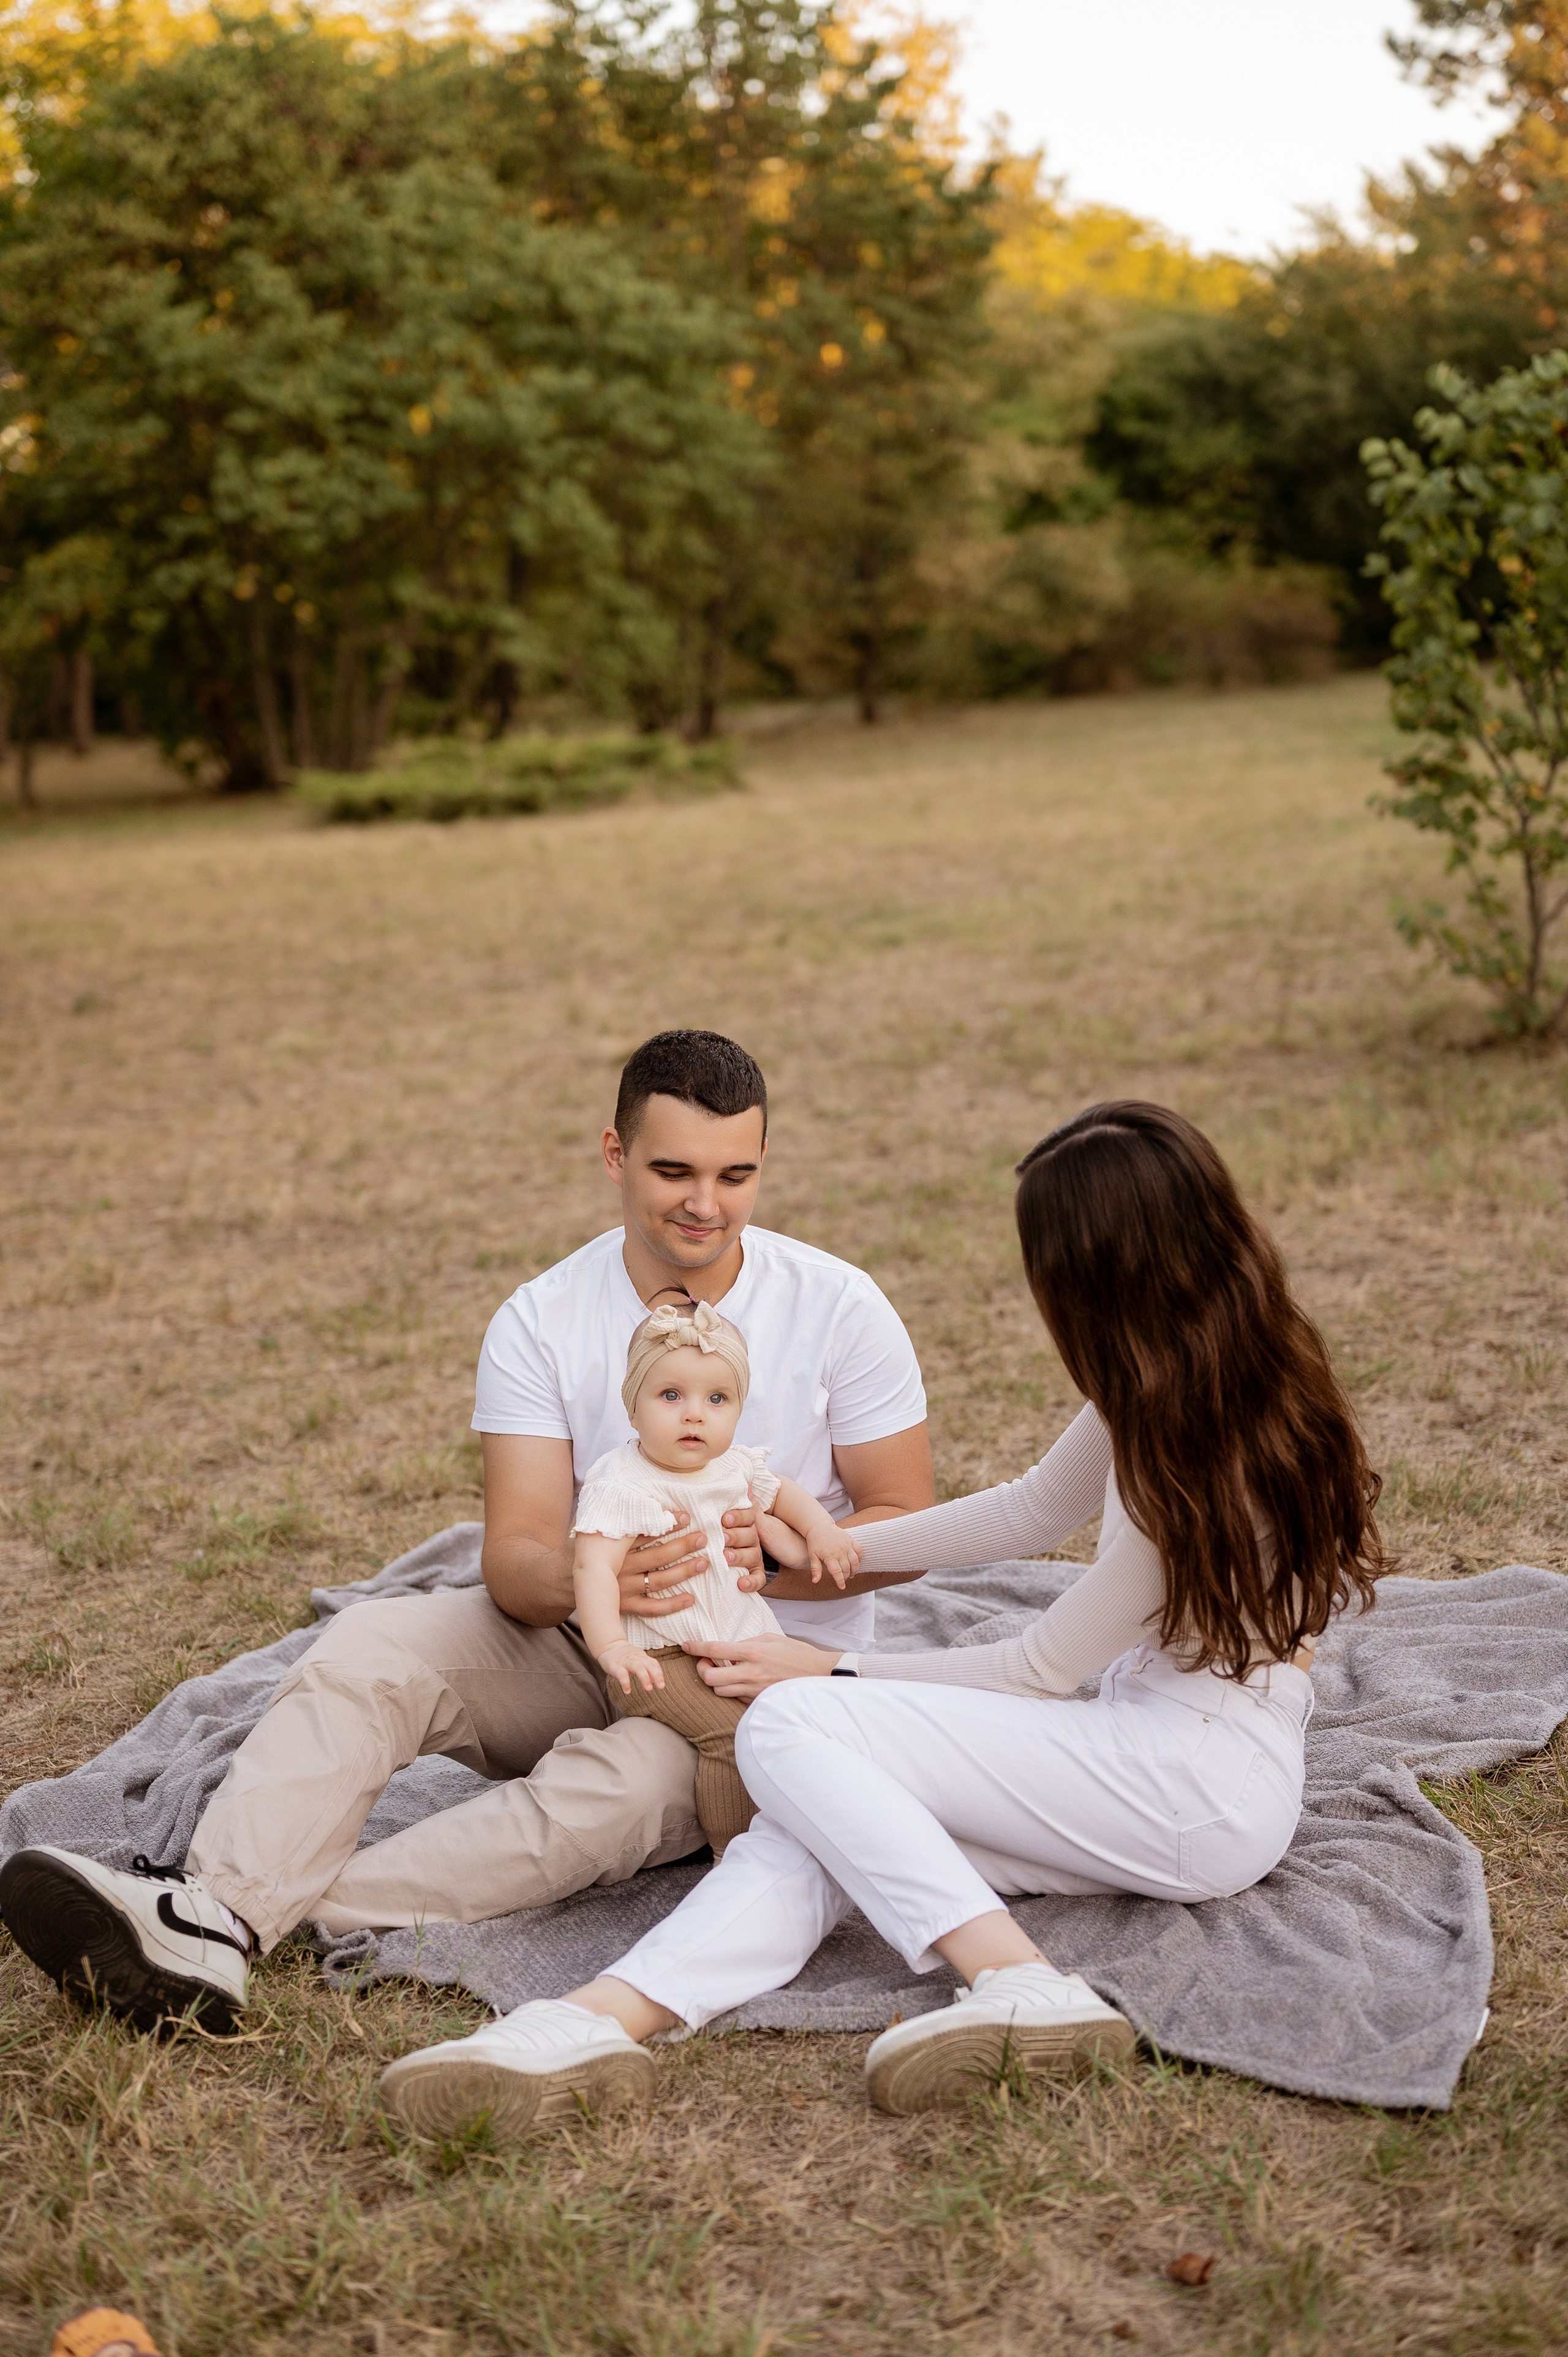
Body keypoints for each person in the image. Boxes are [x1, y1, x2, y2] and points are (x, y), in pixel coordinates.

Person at [378, 1100, 1385, 2137]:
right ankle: (591, 2022)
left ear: (1097, 1278)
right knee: (821, 1819)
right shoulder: (1182, 1378)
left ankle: (1019, 1982)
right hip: (1165, 1767)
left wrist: (822, 1672)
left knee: (791, 1727)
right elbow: (1030, 1510)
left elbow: (1039, 1668)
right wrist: (830, 1549)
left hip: (1192, 1781)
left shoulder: (1206, 1439)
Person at [0, 1031, 932, 2034]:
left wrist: (777, 1563)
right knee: (370, 1644)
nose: (706, 1202)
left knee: (617, 1793)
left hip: (756, 1690)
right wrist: (599, 1586)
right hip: (584, 1639)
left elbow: (908, 1525)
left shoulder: (839, 1305)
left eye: (735, 1175)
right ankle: (214, 1908)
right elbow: (516, 1561)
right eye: (675, 1171)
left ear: (761, 1164)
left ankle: (241, 1913)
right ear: (615, 1155)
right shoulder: (541, 1317)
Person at [575, 1299, 862, 1855]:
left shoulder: (734, 1466)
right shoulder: (622, 1483)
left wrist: (821, 1530)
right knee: (734, 1738)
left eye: (717, 1399)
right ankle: (739, 1857)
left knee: (806, 1711)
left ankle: (820, 1828)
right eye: (671, 1395)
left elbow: (784, 1494)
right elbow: (594, 1567)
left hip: (742, 1637)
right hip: (662, 1658)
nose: (694, 1415)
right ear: (632, 1407)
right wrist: (611, 1647)